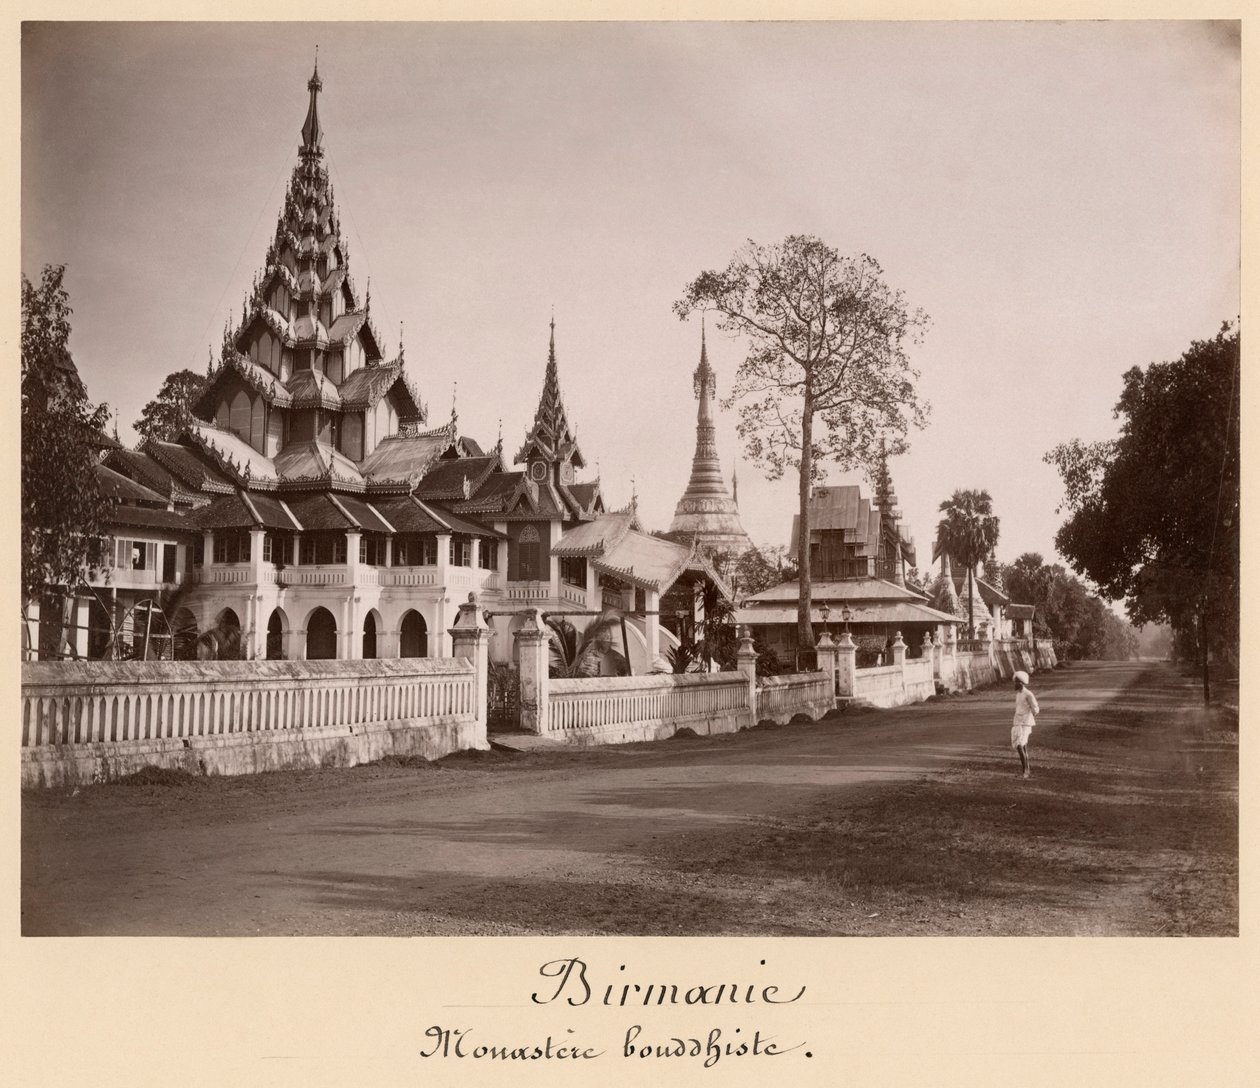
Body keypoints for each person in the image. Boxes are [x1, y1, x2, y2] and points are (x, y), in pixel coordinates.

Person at [1011, 670, 1039, 779]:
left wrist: (1031, 713)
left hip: (1026, 723)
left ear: (1021, 683)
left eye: (1016, 682)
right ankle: (1026, 771)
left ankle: (1025, 772)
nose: (1014, 684)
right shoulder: (1018, 694)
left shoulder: (1028, 694)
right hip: (1018, 721)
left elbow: (1035, 708)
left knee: (1020, 745)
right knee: (1022, 746)